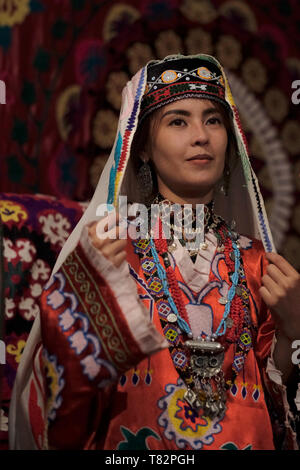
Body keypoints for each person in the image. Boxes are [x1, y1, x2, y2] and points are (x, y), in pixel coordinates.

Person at [9, 54, 300, 450]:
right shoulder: (110, 254)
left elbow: (277, 409)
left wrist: (294, 329)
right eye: (178, 121)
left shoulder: (257, 264)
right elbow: (59, 403)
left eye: (213, 119)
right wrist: (86, 302)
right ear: (142, 146)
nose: (201, 135)